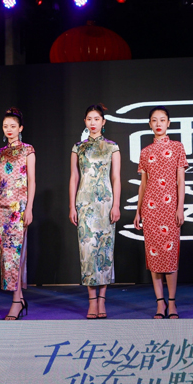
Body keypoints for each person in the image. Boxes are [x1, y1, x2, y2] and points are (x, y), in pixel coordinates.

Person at [133, 106, 188, 319]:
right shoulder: (145, 151)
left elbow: (181, 180)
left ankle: (172, 303)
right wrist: (138, 211)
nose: (158, 124)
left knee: (170, 257)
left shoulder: (177, 147)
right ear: (150, 124)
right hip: (150, 209)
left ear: (168, 123)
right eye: (154, 120)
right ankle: (159, 303)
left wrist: (180, 207)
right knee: (154, 257)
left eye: (162, 120)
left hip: (170, 207)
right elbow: (143, 184)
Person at [69, 103, 121, 319]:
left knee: (105, 250)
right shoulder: (78, 148)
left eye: (96, 119)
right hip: (85, 203)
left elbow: (116, 178)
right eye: (89, 119)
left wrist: (116, 205)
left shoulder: (112, 147)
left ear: (103, 122)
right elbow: (74, 177)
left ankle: (102, 301)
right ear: (85, 121)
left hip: (105, 204)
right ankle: (92, 301)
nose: (93, 123)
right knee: (88, 251)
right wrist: (72, 205)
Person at [0, 107, 36, 320]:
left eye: (13, 126)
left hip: (19, 208)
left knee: (16, 254)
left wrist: (29, 208)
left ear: (20, 128)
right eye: (5, 126)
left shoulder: (28, 150)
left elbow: (32, 181)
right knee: (6, 255)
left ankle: (16, 302)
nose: (9, 129)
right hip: (1, 207)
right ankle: (19, 300)